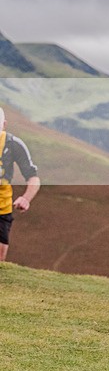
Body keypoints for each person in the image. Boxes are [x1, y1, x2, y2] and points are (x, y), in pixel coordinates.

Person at [0, 107, 41, 262]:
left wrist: (26, 198)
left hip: (2, 208)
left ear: (4, 125)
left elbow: (33, 177)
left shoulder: (13, 144)